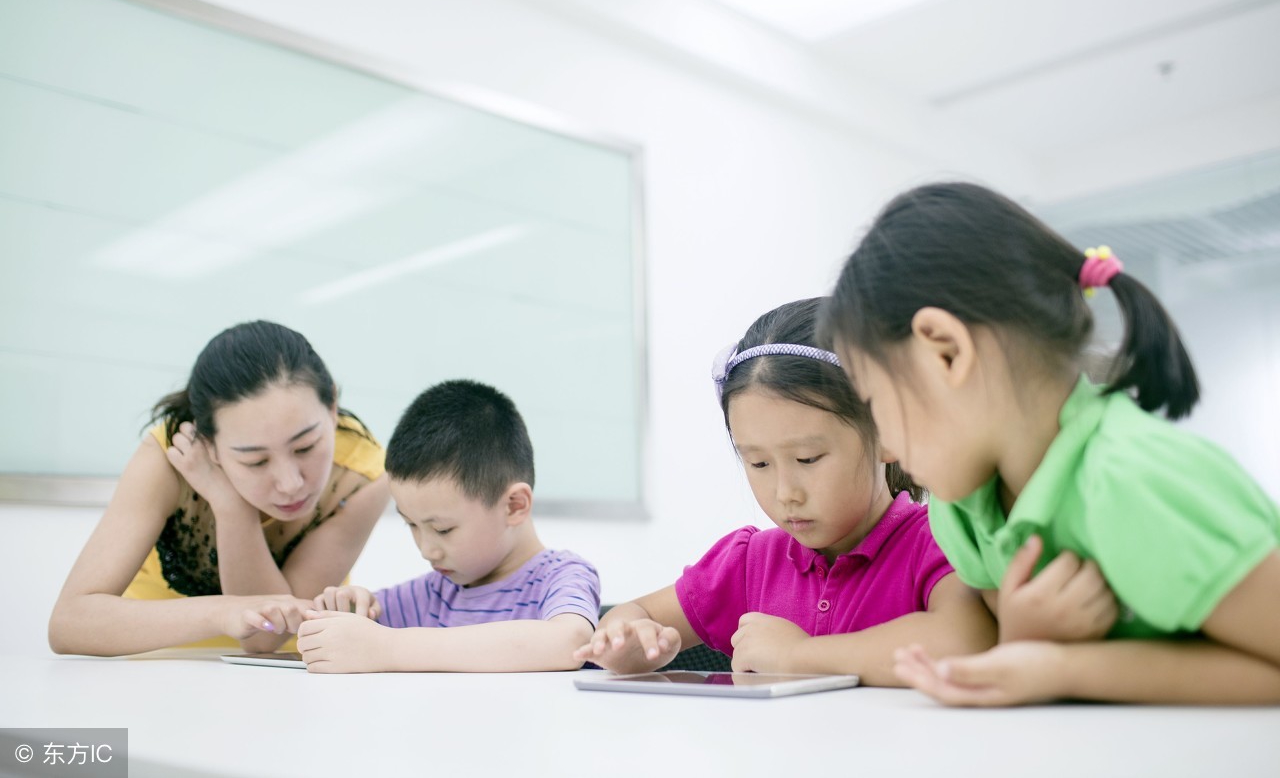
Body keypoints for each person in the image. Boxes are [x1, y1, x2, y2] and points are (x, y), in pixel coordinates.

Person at [820, 181, 1280, 705]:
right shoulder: (962, 510)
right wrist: (1024, 640)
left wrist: (1067, 667)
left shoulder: (1132, 480)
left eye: (877, 403)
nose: (890, 450)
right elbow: (1020, 671)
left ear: (945, 351)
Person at [574, 299, 995, 684]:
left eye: (808, 458)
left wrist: (800, 654)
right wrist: (628, 643)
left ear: (886, 432)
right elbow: (637, 614)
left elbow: (964, 641)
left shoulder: (940, 537)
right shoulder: (749, 562)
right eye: (757, 463)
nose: (785, 492)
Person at [48, 321, 389, 656]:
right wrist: (224, 611)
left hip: (287, 673)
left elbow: (264, 638)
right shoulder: (170, 458)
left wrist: (231, 505)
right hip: (158, 665)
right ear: (209, 446)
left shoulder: (363, 473)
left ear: (331, 407)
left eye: (306, 447)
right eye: (255, 461)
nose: (290, 484)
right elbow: (69, 623)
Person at [298, 379, 600, 672]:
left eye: (442, 529)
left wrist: (390, 647)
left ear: (514, 505)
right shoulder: (432, 595)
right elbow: (357, 634)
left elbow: (569, 642)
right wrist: (347, 612)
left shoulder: (560, 576)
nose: (427, 550)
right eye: (411, 525)